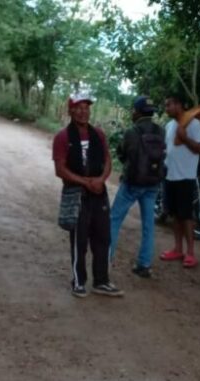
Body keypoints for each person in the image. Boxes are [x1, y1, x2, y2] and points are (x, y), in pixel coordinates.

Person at [53, 94, 122, 298]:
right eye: (79, 107)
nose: (83, 111)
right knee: (79, 240)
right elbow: (60, 169)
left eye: (86, 107)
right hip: (77, 194)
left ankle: (101, 281)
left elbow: (108, 160)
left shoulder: (98, 134)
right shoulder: (63, 137)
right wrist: (86, 182)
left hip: (98, 193)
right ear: (71, 111)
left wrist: (101, 179)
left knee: (103, 237)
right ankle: (79, 281)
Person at [109, 96, 166, 278]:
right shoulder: (161, 131)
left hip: (132, 182)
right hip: (152, 183)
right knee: (148, 225)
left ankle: (105, 261)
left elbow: (123, 153)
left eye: (134, 110)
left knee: (114, 220)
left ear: (138, 111)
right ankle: (144, 264)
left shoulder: (132, 132)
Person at [159, 95, 200, 268]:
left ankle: (191, 253)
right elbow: (167, 150)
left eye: (169, 104)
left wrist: (185, 138)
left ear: (179, 104)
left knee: (186, 216)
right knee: (174, 215)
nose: (166, 108)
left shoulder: (194, 124)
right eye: (166, 105)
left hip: (185, 177)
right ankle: (178, 249)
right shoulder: (170, 125)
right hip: (170, 176)